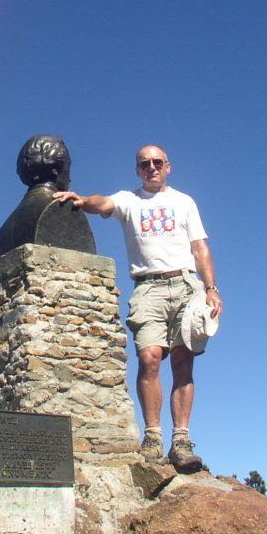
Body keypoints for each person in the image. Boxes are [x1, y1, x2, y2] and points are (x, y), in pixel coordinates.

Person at [53, 144, 222, 472]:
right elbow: (104, 204)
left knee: (184, 362)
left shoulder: (184, 202)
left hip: (187, 285)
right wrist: (81, 200)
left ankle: (182, 441)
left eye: (158, 162)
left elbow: (200, 247)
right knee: (149, 357)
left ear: (168, 167)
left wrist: (212, 289)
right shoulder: (130, 201)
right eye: (145, 163)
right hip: (148, 287)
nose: (152, 167)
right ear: (137, 170)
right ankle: (153, 436)